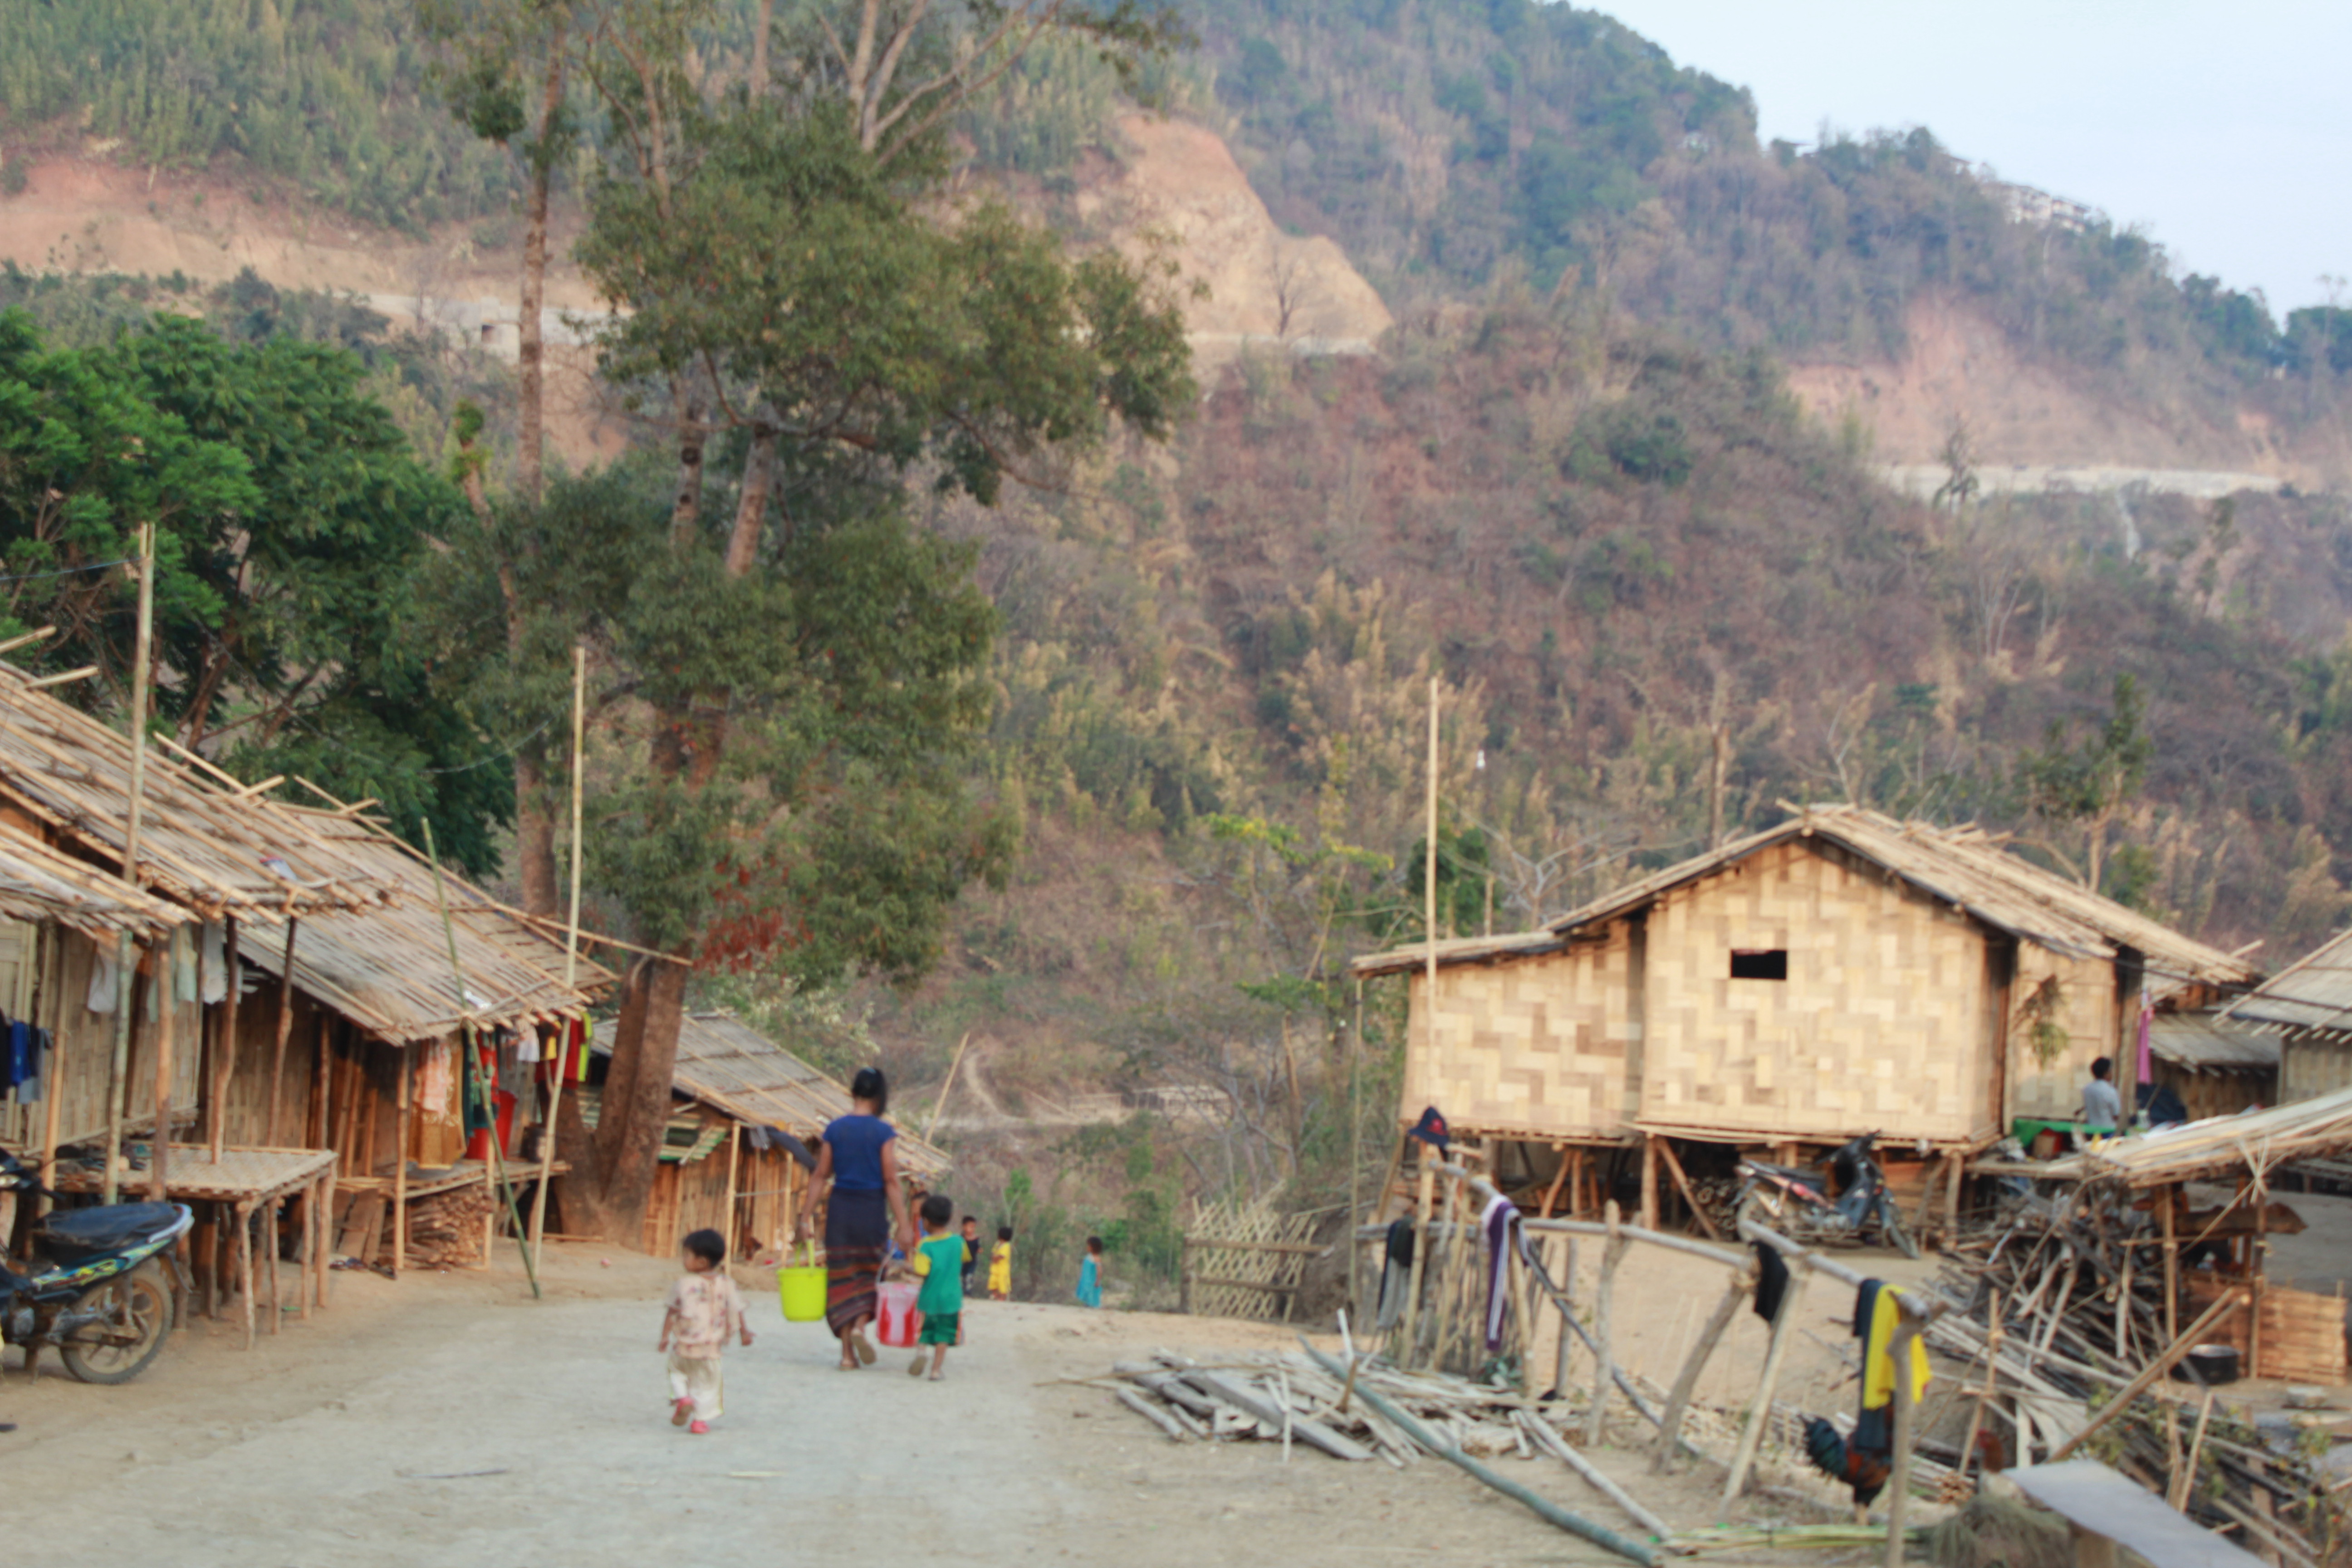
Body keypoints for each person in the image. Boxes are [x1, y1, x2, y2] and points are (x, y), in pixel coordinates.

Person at [794, 1068, 915, 1370]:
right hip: (870, 1212)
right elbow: (890, 1180)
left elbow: (821, 1175)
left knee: (843, 1279)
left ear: (854, 1092)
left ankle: (847, 1356)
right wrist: (905, 1224)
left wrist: (805, 1218)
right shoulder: (883, 1133)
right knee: (871, 1275)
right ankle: (861, 1326)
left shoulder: (835, 1130)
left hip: (840, 1212)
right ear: (879, 1096)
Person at [659, 1228, 751, 1435]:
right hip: (710, 1349)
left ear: (701, 1262)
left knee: (676, 1373)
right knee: (708, 1385)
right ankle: (700, 1421)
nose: (683, 1260)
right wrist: (744, 1333)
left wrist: (665, 1337)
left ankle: (683, 1398)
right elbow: (737, 1309)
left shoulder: (683, 1285)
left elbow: (672, 1313)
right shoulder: (727, 1284)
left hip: (684, 1346)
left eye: (686, 1256)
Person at [907, 1193, 965, 1381]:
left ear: (926, 1221)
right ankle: (936, 1371)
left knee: (924, 1330)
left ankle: (922, 1352)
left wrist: (905, 1268)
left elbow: (922, 1272)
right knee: (944, 1336)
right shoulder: (959, 1242)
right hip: (951, 1298)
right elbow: (963, 1260)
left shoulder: (924, 1245)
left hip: (929, 1297)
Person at [2080, 1055, 2123, 1137]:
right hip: (2108, 1131)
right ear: (2106, 1073)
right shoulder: (2111, 1091)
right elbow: (2116, 1114)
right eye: (2111, 1071)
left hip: (2091, 1131)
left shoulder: (2087, 1089)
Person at [1075, 1235, 1104, 1309]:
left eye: (1089, 1245)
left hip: (1092, 1280)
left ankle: (1092, 1305)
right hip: (1086, 1279)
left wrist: (1098, 1280)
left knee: (1092, 1292)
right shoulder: (1089, 1256)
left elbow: (1100, 1271)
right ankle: (1087, 1304)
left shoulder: (1097, 1258)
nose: (1087, 1247)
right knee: (1085, 1291)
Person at [988, 1224, 1013, 1301]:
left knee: (1003, 1283)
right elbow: (993, 1252)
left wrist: (995, 1258)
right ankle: (995, 1293)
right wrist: (993, 1257)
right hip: (995, 1268)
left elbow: (1002, 1256)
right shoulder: (997, 1244)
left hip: (1003, 1269)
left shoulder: (1007, 1246)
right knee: (993, 1281)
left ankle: (1003, 1297)